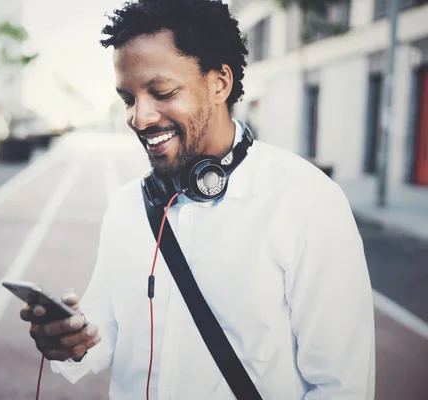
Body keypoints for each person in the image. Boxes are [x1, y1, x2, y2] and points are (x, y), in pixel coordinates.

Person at [20, 0, 375, 398]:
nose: (140, 117)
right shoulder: (126, 206)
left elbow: (342, 386)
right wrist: (72, 342)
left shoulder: (307, 201)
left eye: (162, 92)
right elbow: (104, 330)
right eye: (128, 98)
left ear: (219, 83)